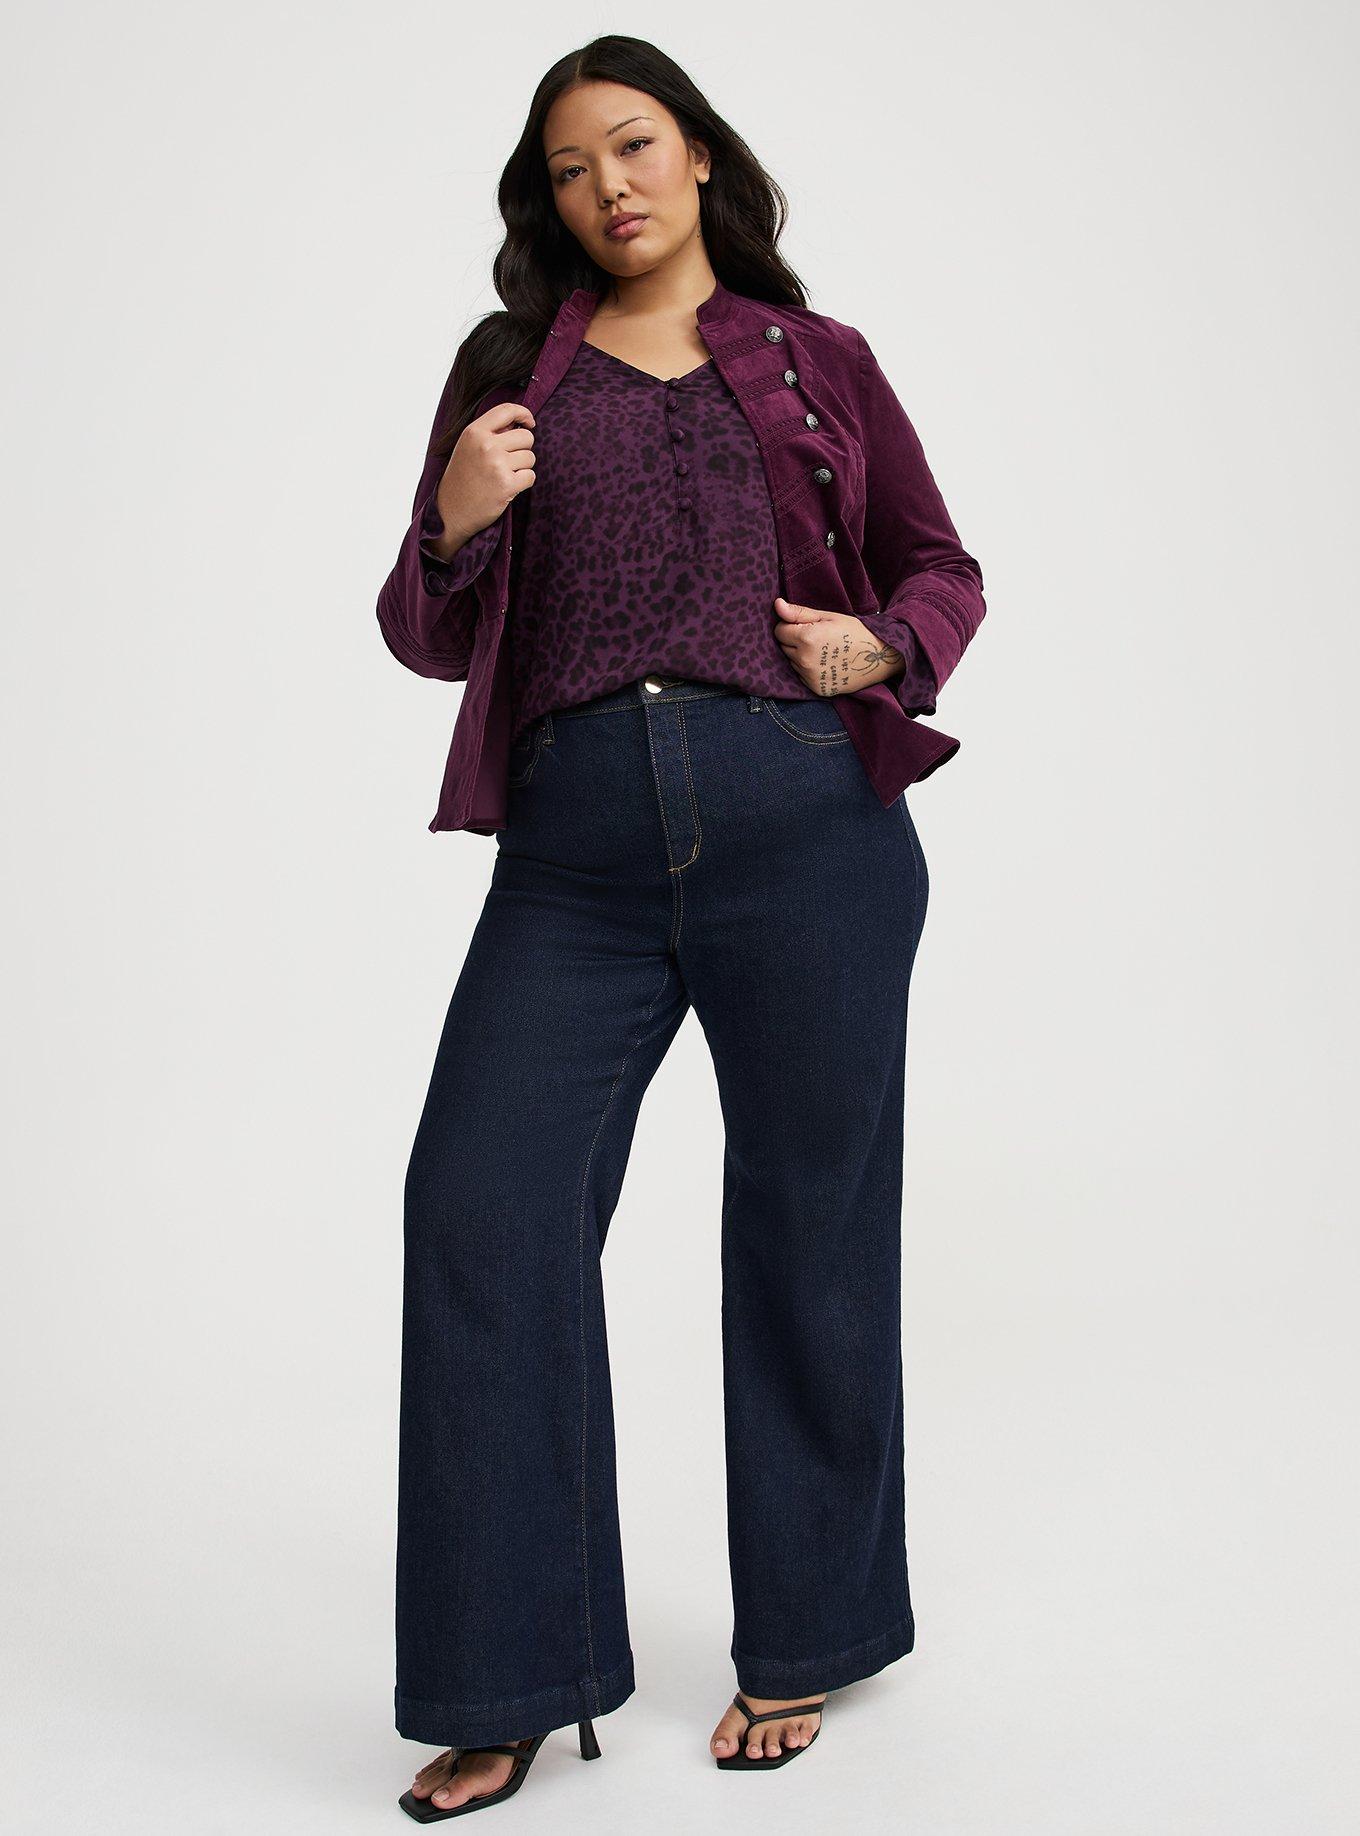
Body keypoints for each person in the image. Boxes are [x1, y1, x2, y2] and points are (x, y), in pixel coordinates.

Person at [375, 33, 986, 1821]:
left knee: (808, 1223)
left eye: (633, 146)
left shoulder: (818, 358)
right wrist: (452, 520)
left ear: (699, 153)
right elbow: (424, 631)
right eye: (570, 170)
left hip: (804, 819)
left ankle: (809, 1631)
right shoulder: (511, 372)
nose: (609, 188)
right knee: (480, 1208)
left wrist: (885, 646)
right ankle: (508, 1674)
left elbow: (943, 565)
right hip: (572, 853)